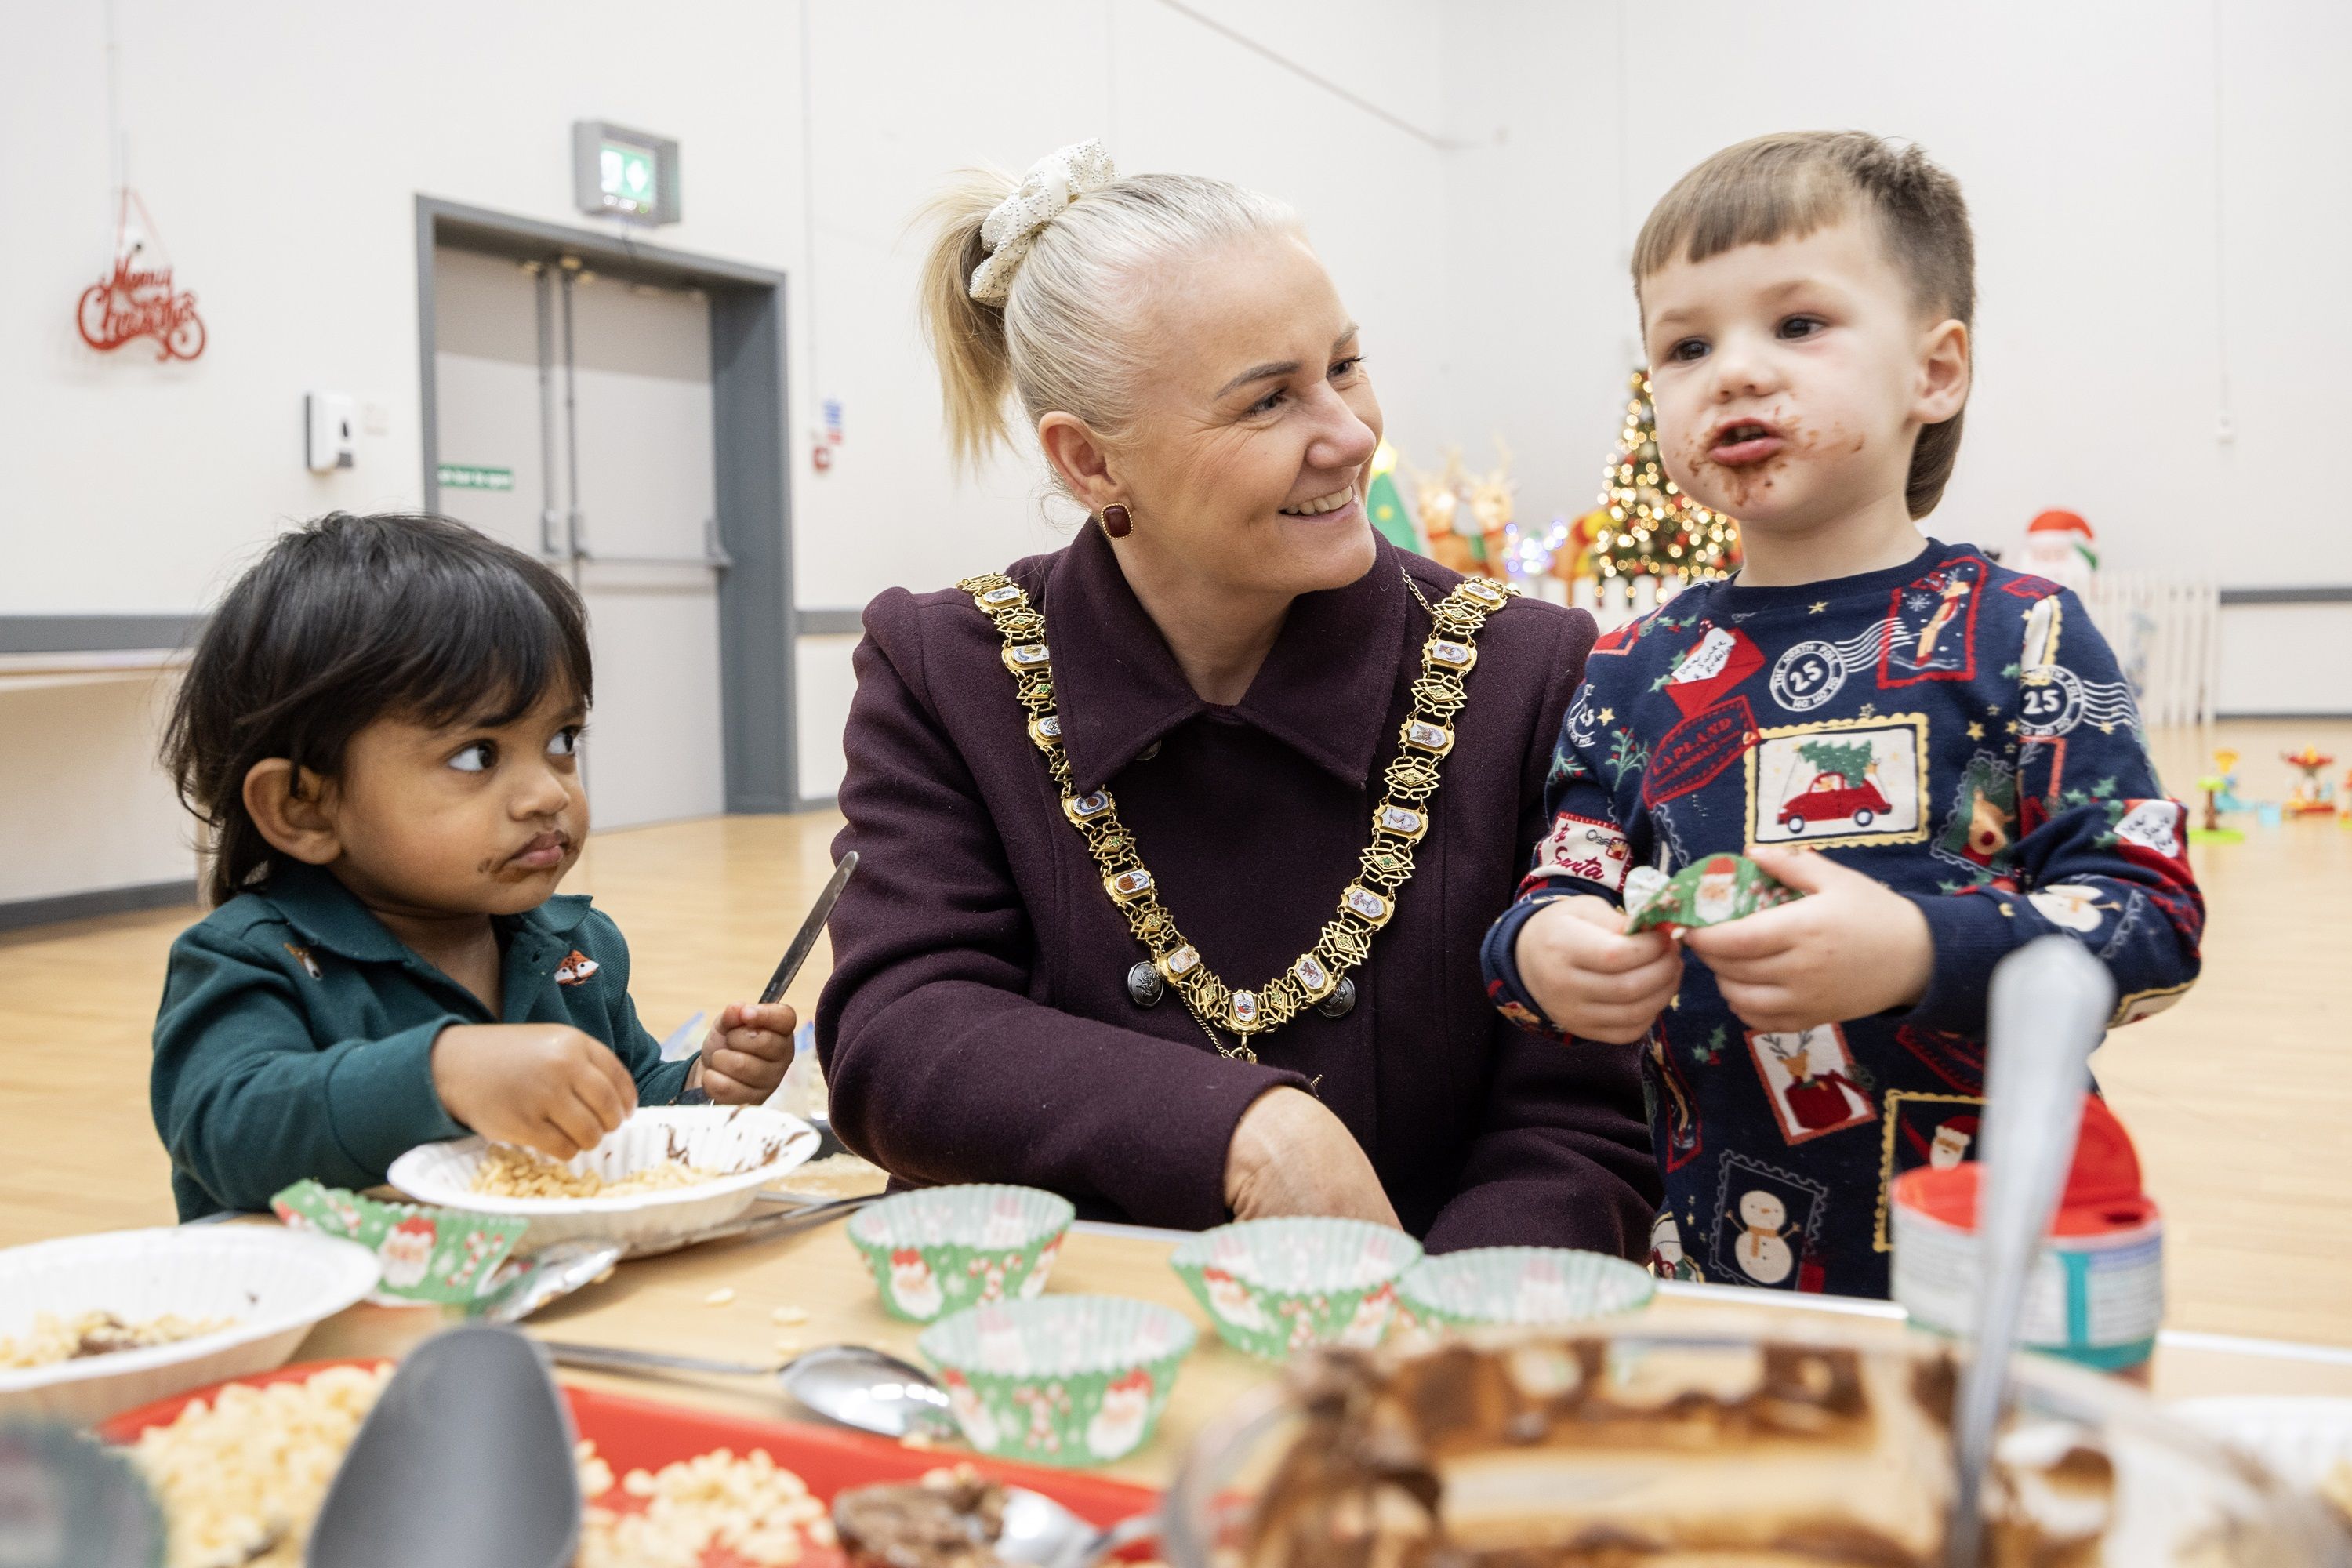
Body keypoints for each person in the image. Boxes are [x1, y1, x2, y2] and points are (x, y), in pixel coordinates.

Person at [815, 141, 1658, 1251]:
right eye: (1269, 401)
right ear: (1092, 464)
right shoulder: (948, 668)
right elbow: (904, 1041)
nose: (1353, 435)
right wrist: (1247, 1133)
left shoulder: (1525, 670)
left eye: (1345, 366)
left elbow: (1578, 1126)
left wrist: (1441, 1345)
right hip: (1057, 1339)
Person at [1482, 132, 2204, 1298]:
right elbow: (1557, 886)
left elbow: (2153, 920)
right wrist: (1543, 951)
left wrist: (1919, 947)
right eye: (1686, 344)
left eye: (1799, 324)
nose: (1736, 371)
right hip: (1710, 1264)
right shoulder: (1632, 670)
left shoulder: (2023, 635)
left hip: (1994, 1260)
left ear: (1937, 371)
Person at [151, 513, 795, 1218]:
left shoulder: (576, 948)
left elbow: (623, 1115)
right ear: (305, 806)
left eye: (561, 738)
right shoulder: (250, 961)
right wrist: (444, 1072)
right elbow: (230, 1131)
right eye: (476, 755)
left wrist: (700, 1086)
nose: (550, 792)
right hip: (334, 1314)